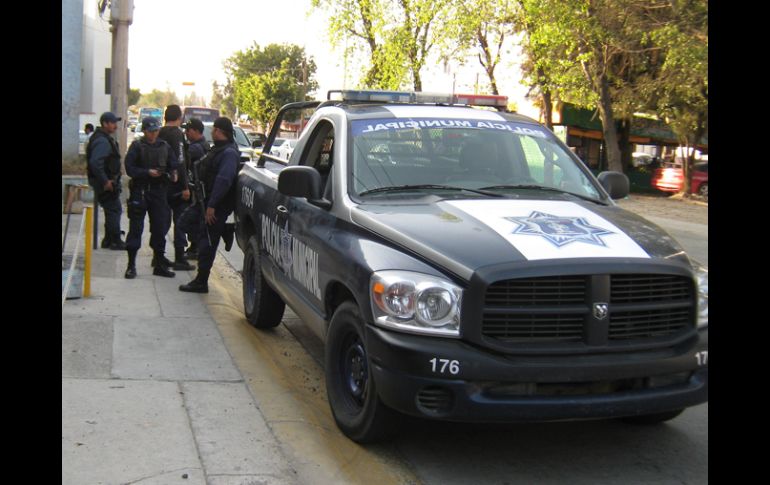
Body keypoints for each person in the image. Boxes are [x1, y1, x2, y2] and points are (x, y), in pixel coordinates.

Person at [179, 117, 239, 293]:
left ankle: (201, 281)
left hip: (215, 206)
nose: (211, 131)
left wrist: (212, 206)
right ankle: (224, 231)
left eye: (214, 129)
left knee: (207, 243)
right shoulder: (218, 149)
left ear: (220, 131)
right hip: (205, 201)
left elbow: (224, 180)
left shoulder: (229, 153)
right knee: (184, 223)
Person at [123, 117, 179, 279]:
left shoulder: (164, 146)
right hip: (140, 191)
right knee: (135, 229)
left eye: (156, 131)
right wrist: (147, 172)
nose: (153, 134)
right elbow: (129, 168)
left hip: (159, 192)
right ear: (145, 131)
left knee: (160, 228)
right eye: (150, 131)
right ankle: (131, 265)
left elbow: (173, 164)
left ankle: (159, 263)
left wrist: (173, 174)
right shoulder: (137, 146)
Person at [157, 104, 195, 271]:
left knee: (161, 222)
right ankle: (180, 257)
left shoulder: (159, 132)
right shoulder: (177, 134)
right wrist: (185, 186)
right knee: (179, 221)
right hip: (176, 186)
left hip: (160, 183)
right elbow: (180, 161)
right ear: (179, 118)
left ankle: (158, 256)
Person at [86, 112, 126, 250]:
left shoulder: (103, 138)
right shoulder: (102, 141)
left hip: (106, 181)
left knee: (112, 210)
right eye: (113, 122)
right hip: (105, 183)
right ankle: (114, 240)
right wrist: (105, 181)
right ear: (105, 124)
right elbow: (95, 163)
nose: (115, 125)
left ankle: (109, 240)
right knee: (114, 209)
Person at [179, 118, 210, 260]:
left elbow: (184, 164)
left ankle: (194, 248)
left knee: (189, 220)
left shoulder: (195, 148)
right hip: (199, 189)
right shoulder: (204, 145)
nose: (186, 133)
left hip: (195, 190)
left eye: (188, 130)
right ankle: (194, 247)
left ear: (197, 131)